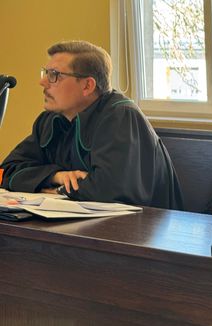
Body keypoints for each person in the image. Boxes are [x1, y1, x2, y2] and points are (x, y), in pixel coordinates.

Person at [0, 40, 183, 210]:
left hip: (141, 230)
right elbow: (4, 171)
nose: (42, 82)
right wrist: (56, 176)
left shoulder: (121, 116)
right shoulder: (49, 119)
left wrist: (55, 190)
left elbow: (109, 190)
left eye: (54, 75)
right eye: (45, 73)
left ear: (87, 85)